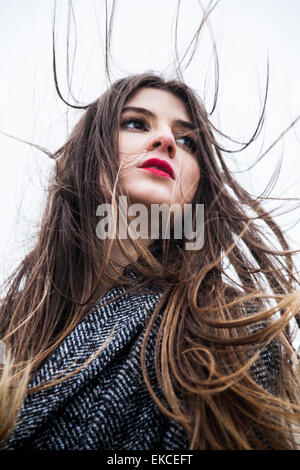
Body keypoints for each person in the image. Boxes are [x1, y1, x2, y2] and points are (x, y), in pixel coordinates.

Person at [0, 72, 299, 451]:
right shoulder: (10, 328)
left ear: (196, 192)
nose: (167, 141)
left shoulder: (228, 327)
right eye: (136, 123)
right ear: (88, 153)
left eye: (187, 140)